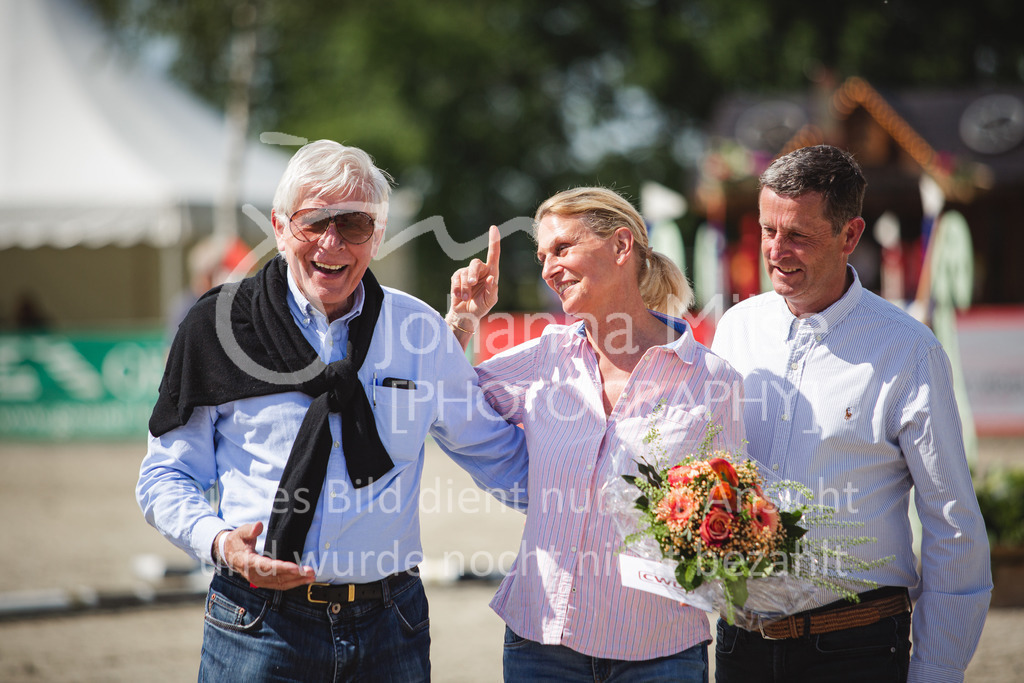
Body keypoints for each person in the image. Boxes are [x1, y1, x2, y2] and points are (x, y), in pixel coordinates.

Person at [137, 140, 529, 681]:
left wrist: (606, 496)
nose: (332, 241)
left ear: (379, 235)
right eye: (314, 221)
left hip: (390, 627)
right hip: (256, 622)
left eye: (354, 224)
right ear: (279, 227)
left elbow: (499, 455)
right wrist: (222, 544)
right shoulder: (217, 327)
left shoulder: (419, 331)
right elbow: (165, 475)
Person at [710, 145, 991, 682]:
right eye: (768, 230)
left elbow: (952, 522)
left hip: (855, 648)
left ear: (850, 235)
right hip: (740, 645)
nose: (776, 250)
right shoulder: (736, 328)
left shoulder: (909, 349)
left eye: (798, 234)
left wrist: (936, 671)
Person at [446, 187, 745, 682]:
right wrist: (463, 319)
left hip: (660, 650)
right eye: (543, 256)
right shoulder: (545, 357)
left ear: (621, 246)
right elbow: (441, 397)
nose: (549, 268)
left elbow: (729, 512)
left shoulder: (712, 380)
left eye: (562, 248)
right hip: (541, 645)